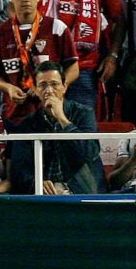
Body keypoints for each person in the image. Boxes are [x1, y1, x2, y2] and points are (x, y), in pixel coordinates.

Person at [0, 0, 79, 123]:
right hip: (14, 114)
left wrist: (48, 87)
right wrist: (8, 87)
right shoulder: (1, 33)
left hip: (50, 111)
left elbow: (74, 69)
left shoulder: (56, 28)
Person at [10, 61, 106, 194]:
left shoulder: (84, 113)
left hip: (82, 191)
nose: (49, 91)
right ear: (36, 90)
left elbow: (90, 152)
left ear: (65, 86)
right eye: (42, 85)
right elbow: (18, 171)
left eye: (54, 85)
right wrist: (36, 183)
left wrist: (63, 120)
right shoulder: (27, 125)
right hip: (45, 195)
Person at [36, 0, 125, 110]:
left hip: (84, 69)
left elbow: (119, 19)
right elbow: (17, 6)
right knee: (45, 127)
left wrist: (112, 56)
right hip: (44, 67)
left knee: (82, 127)